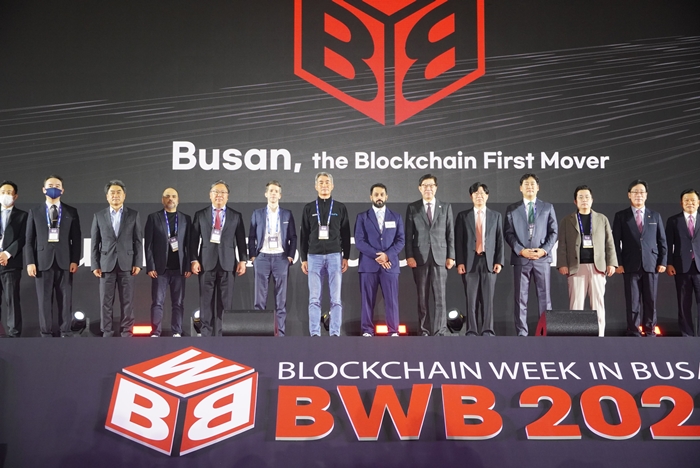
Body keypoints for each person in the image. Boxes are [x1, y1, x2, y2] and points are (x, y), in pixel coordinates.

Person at [556, 185, 617, 336]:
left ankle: (599, 336)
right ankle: (576, 337)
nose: (584, 200)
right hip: (576, 267)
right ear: (575, 201)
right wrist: (562, 263)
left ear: (592, 200)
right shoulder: (567, 220)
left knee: (598, 304)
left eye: (587, 197)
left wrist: (611, 263)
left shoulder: (602, 219)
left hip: (597, 267)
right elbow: (562, 244)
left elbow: (609, 243)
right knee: (576, 305)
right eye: (581, 197)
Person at [25, 175, 81, 337]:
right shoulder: (34, 212)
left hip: (65, 261)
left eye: (57, 186)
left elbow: (76, 238)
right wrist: (30, 262)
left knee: (65, 299)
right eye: (50, 185)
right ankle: (46, 333)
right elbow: (29, 240)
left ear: (62, 190)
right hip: (42, 262)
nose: (54, 188)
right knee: (44, 300)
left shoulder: (71, 211)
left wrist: (75, 260)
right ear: (44, 189)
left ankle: (65, 332)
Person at [190, 180, 247, 336]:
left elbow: (241, 240)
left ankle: (223, 336)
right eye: (216, 192)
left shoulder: (236, 216)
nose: (219, 195)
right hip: (206, 263)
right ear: (210, 195)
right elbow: (193, 240)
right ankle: (206, 336)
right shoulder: (200, 215)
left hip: (228, 264)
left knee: (226, 304)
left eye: (223, 192)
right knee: (205, 303)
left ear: (228, 196)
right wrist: (194, 260)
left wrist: (243, 260)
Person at [504, 173, 558, 336]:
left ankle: (545, 332)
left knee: (545, 298)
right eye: (526, 184)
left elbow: (554, 232)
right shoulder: (512, 209)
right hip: (521, 258)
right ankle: (522, 332)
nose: (529, 187)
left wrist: (544, 250)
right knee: (520, 298)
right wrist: (520, 250)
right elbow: (508, 233)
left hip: (542, 258)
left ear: (538, 187)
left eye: (533, 184)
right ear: (520, 188)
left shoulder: (547, 207)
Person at [612, 179, 667, 337]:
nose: (638, 195)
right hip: (630, 264)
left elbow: (662, 241)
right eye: (635, 192)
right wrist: (618, 263)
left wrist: (663, 261)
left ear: (646, 195)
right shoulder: (621, 216)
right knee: (632, 301)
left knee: (651, 301)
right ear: (629, 195)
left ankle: (650, 331)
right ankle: (633, 331)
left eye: (642, 192)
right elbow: (615, 242)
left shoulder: (655, 216)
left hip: (651, 264)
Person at [299, 172, 350, 336]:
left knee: (336, 299)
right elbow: (304, 235)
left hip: (335, 256)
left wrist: (346, 256)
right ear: (316, 186)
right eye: (321, 182)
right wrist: (303, 258)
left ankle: (335, 333)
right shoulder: (309, 208)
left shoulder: (340, 208)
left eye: (327, 182)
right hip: (314, 256)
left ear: (332, 186)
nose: (324, 185)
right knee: (314, 299)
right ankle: (315, 333)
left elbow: (345, 234)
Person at [91, 180, 143, 337]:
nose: (115, 195)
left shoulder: (133, 215)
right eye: (112, 193)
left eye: (118, 192)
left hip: (127, 264)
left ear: (124, 195)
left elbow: (138, 241)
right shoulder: (99, 216)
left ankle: (127, 332)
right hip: (106, 265)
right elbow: (95, 243)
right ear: (107, 196)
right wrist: (95, 265)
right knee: (105, 302)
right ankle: (107, 331)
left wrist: (138, 263)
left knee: (127, 301)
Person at [405, 174, 455, 336]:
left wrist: (451, 256)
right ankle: (424, 330)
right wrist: (409, 256)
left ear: (436, 188)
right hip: (420, 258)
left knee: (440, 298)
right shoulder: (413, 208)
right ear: (420, 188)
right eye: (425, 185)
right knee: (422, 298)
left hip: (441, 257)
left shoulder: (445, 207)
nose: (428, 188)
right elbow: (408, 235)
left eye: (431, 185)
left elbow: (450, 234)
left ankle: (440, 330)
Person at [354, 183, 405, 336]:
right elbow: (359, 241)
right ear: (371, 197)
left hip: (390, 265)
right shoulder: (362, 217)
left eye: (382, 194)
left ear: (386, 196)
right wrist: (378, 255)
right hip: (368, 265)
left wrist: (387, 255)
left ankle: (393, 330)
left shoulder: (396, 217)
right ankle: (367, 330)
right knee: (367, 300)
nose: (379, 197)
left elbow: (401, 240)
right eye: (376, 194)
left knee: (392, 300)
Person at [248, 181, 297, 336]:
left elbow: (293, 237)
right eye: (271, 191)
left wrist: (290, 256)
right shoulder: (257, 213)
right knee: (259, 301)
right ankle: (259, 334)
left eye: (276, 191)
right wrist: (253, 256)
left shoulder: (287, 214)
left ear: (280, 195)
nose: (273, 193)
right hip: (262, 257)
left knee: (281, 301)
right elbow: (251, 236)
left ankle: (280, 334)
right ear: (266, 194)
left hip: (281, 258)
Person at [455, 182, 504, 336]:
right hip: (470, 262)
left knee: (488, 299)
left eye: (482, 193)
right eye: (476, 193)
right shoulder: (463, 216)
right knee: (471, 299)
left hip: (489, 262)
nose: (479, 196)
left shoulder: (496, 216)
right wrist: (460, 262)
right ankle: (471, 330)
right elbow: (458, 241)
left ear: (487, 196)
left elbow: (499, 240)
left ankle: (488, 330)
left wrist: (499, 261)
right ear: (471, 196)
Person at [144, 187, 191, 337]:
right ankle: (155, 332)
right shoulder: (153, 218)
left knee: (178, 303)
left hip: (179, 269)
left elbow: (189, 245)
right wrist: (150, 266)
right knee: (157, 302)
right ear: (162, 199)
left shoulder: (185, 219)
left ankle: (176, 331)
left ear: (178, 200)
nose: (170, 199)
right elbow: (148, 245)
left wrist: (188, 265)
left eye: (173, 196)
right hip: (160, 269)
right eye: (167, 196)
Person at [665, 189, 700, 337]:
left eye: (693, 200)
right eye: (686, 200)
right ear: (681, 203)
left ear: (698, 203)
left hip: (699, 267)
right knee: (683, 303)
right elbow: (667, 244)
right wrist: (669, 263)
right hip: (681, 267)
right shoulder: (673, 221)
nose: (690, 203)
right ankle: (687, 335)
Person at [0, 181, 27, 337]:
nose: (6, 195)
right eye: (3, 192)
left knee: (12, 300)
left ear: (15, 196)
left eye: (9, 192)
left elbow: (23, 238)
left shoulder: (23, 216)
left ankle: (14, 334)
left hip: (11, 264)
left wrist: (6, 253)